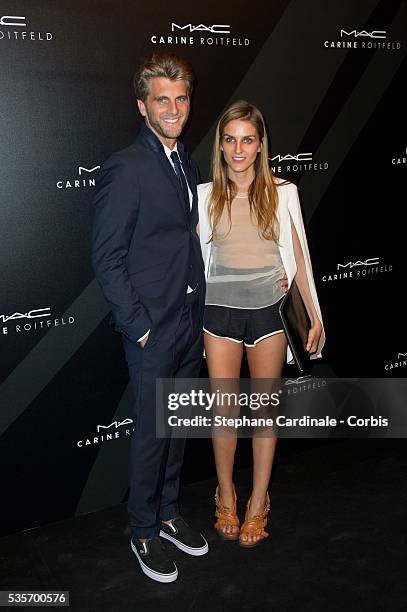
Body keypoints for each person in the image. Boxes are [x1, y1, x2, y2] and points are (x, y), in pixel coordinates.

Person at [92, 52, 208, 583]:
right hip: (152, 329)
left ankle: (165, 514)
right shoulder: (127, 165)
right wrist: (138, 325)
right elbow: (107, 257)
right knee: (151, 435)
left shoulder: (186, 159)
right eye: (162, 99)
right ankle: (142, 531)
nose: (173, 108)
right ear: (143, 107)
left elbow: (185, 240)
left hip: (187, 319)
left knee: (177, 426)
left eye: (180, 99)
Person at [198, 100, 325, 548]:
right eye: (230, 140)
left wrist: (312, 314)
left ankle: (257, 502)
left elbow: (300, 259)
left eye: (247, 140)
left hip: (269, 314)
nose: (238, 149)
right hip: (218, 316)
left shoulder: (282, 191)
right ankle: (226, 495)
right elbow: (197, 262)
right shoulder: (204, 195)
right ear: (221, 145)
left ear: (259, 145)